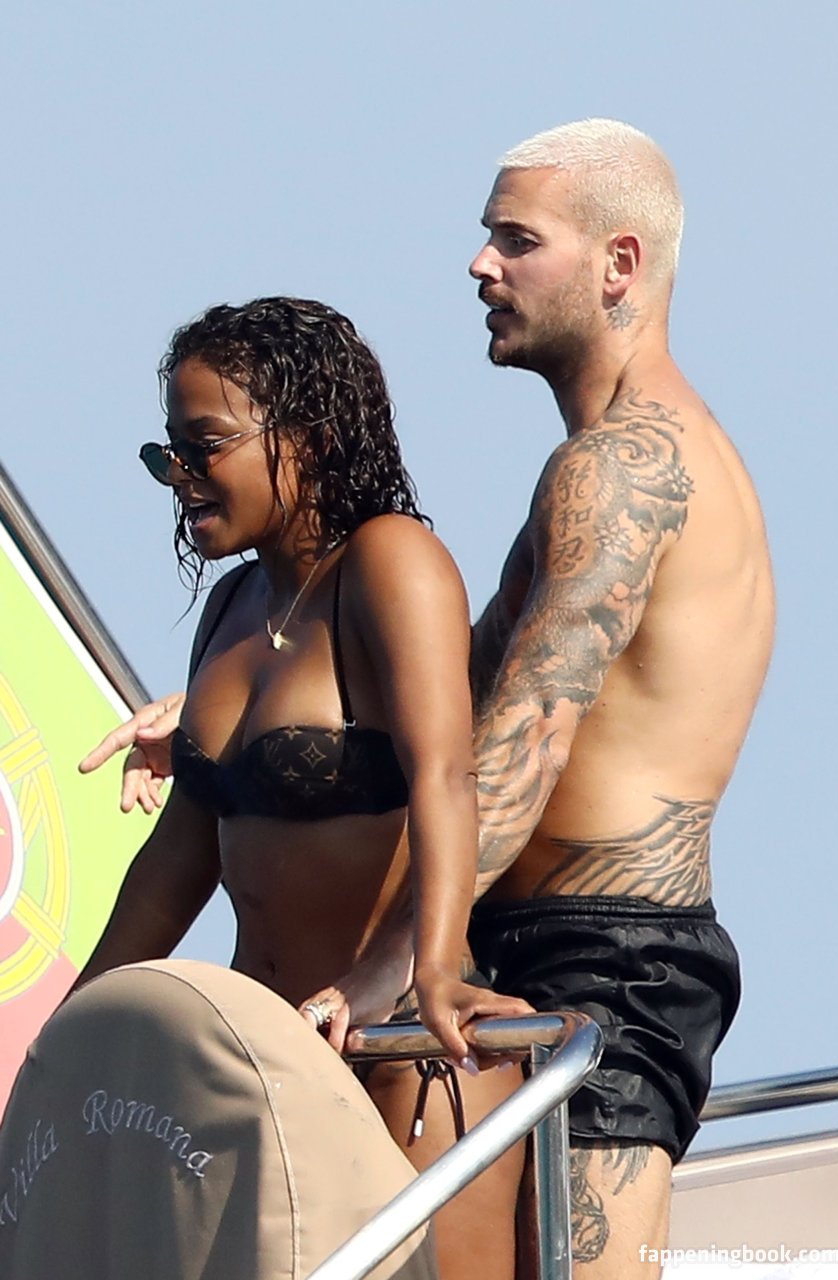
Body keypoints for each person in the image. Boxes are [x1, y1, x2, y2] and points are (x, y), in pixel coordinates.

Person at [83, 119, 776, 1278]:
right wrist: (232, 717)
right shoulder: (584, 472)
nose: (479, 264)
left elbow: (518, 743)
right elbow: (440, 693)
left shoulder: (622, 472)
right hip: (514, 942)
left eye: (517, 239)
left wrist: (392, 966)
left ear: (619, 263)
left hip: (607, 955)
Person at [75, 296, 532, 1280]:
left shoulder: (389, 562)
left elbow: (448, 774)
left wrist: (433, 968)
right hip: (270, 1070)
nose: (180, 475)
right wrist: (66, 1037)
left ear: (309, 437)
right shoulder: (233, 607)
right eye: (166, 453)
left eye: (204, 446)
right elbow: (176, 859)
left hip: (405, 1054)